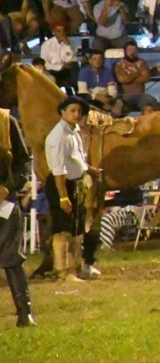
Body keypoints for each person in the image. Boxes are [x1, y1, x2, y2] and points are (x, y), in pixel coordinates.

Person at [45, 96, 101, 281]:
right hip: (62, 184)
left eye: (79, 111)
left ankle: (75, 267)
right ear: (62, 112)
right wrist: (63, 197)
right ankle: (62, 271)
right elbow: (58, 169)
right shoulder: (58, 136)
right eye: (72, 110)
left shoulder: (74, 130)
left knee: (76, 229)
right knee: (63, 230)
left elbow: (76, 158)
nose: (76, 114)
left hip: (77, 182)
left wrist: (89, 170)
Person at [0, 109, 36, 326]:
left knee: (12, 257)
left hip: (4, 200)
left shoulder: (6, 122)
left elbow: (23, 163)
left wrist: (6, 188)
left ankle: (25, 313)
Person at [112, 40, 158, 116]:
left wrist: (128, 77)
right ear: (125, 51)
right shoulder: (119, 64)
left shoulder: (142, 63)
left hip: (140, 95)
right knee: (118, 105)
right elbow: (121, 79)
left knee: (150, 102)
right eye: (130, 50)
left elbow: (145, 78)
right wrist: (137, 73)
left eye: (134, 50)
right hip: (124, 96)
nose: (132, 52)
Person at [39, 20, 78, 89]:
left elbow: (72, 59)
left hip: (68, 70)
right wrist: (61, 66)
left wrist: (67, 45)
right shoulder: (47, 44)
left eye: (63, 31)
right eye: (59, 31)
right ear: (54, 32)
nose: (62, 33)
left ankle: (79, 95)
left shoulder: (72, 42)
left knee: (75, 68)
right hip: (53, 70)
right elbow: (44, 63)